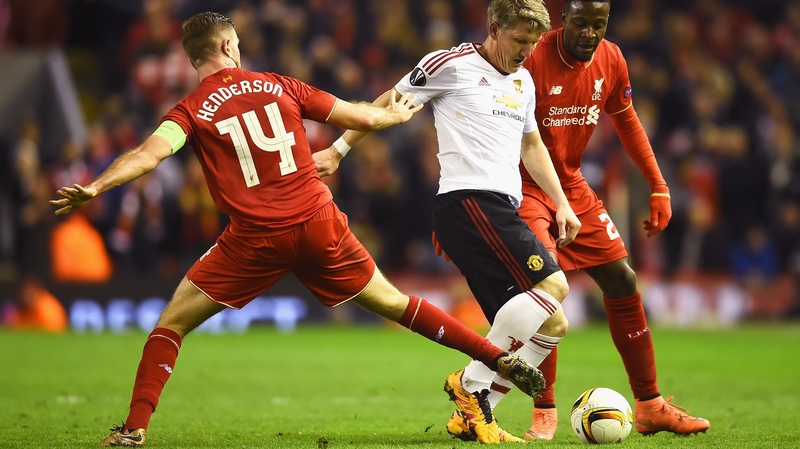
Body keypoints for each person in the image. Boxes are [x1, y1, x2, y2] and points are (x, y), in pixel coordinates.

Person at [50, 12, 548, 447]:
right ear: (228, 46)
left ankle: (134, 429)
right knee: (397, 304)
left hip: (253, 240)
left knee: (171, 326)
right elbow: (359, 116)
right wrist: (391, 115)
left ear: (195, 57)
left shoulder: (190, 111)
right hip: (316, 223)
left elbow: (148, 155)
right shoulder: (280, 84)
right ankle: (494, 358)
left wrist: (95, 186)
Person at [314, 0, 581, 443]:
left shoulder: (525, 80)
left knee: (552, 325)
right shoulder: (451, 63)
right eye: (519, 40)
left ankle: (475, 415)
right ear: (494, 29)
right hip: (469, 201)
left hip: (497, 208)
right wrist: (339, 150)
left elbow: (531, 147)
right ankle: (471, 385)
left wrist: (561, 203)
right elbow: (390, 101)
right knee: (554, 288)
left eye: (533, 43)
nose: (526, 51)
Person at [447, 0, 711, 441]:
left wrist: (658, 184)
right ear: (563, 18)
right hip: (522, 188)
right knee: (545, 295)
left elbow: (627, 121)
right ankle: (543, 411)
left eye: (599, 24)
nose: (590, 33)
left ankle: (649, 406)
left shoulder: (612, 58)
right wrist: (462, 204)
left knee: (623, 280)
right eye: (581, 22)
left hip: (572, 188)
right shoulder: (530, 57)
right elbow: (477, 123)